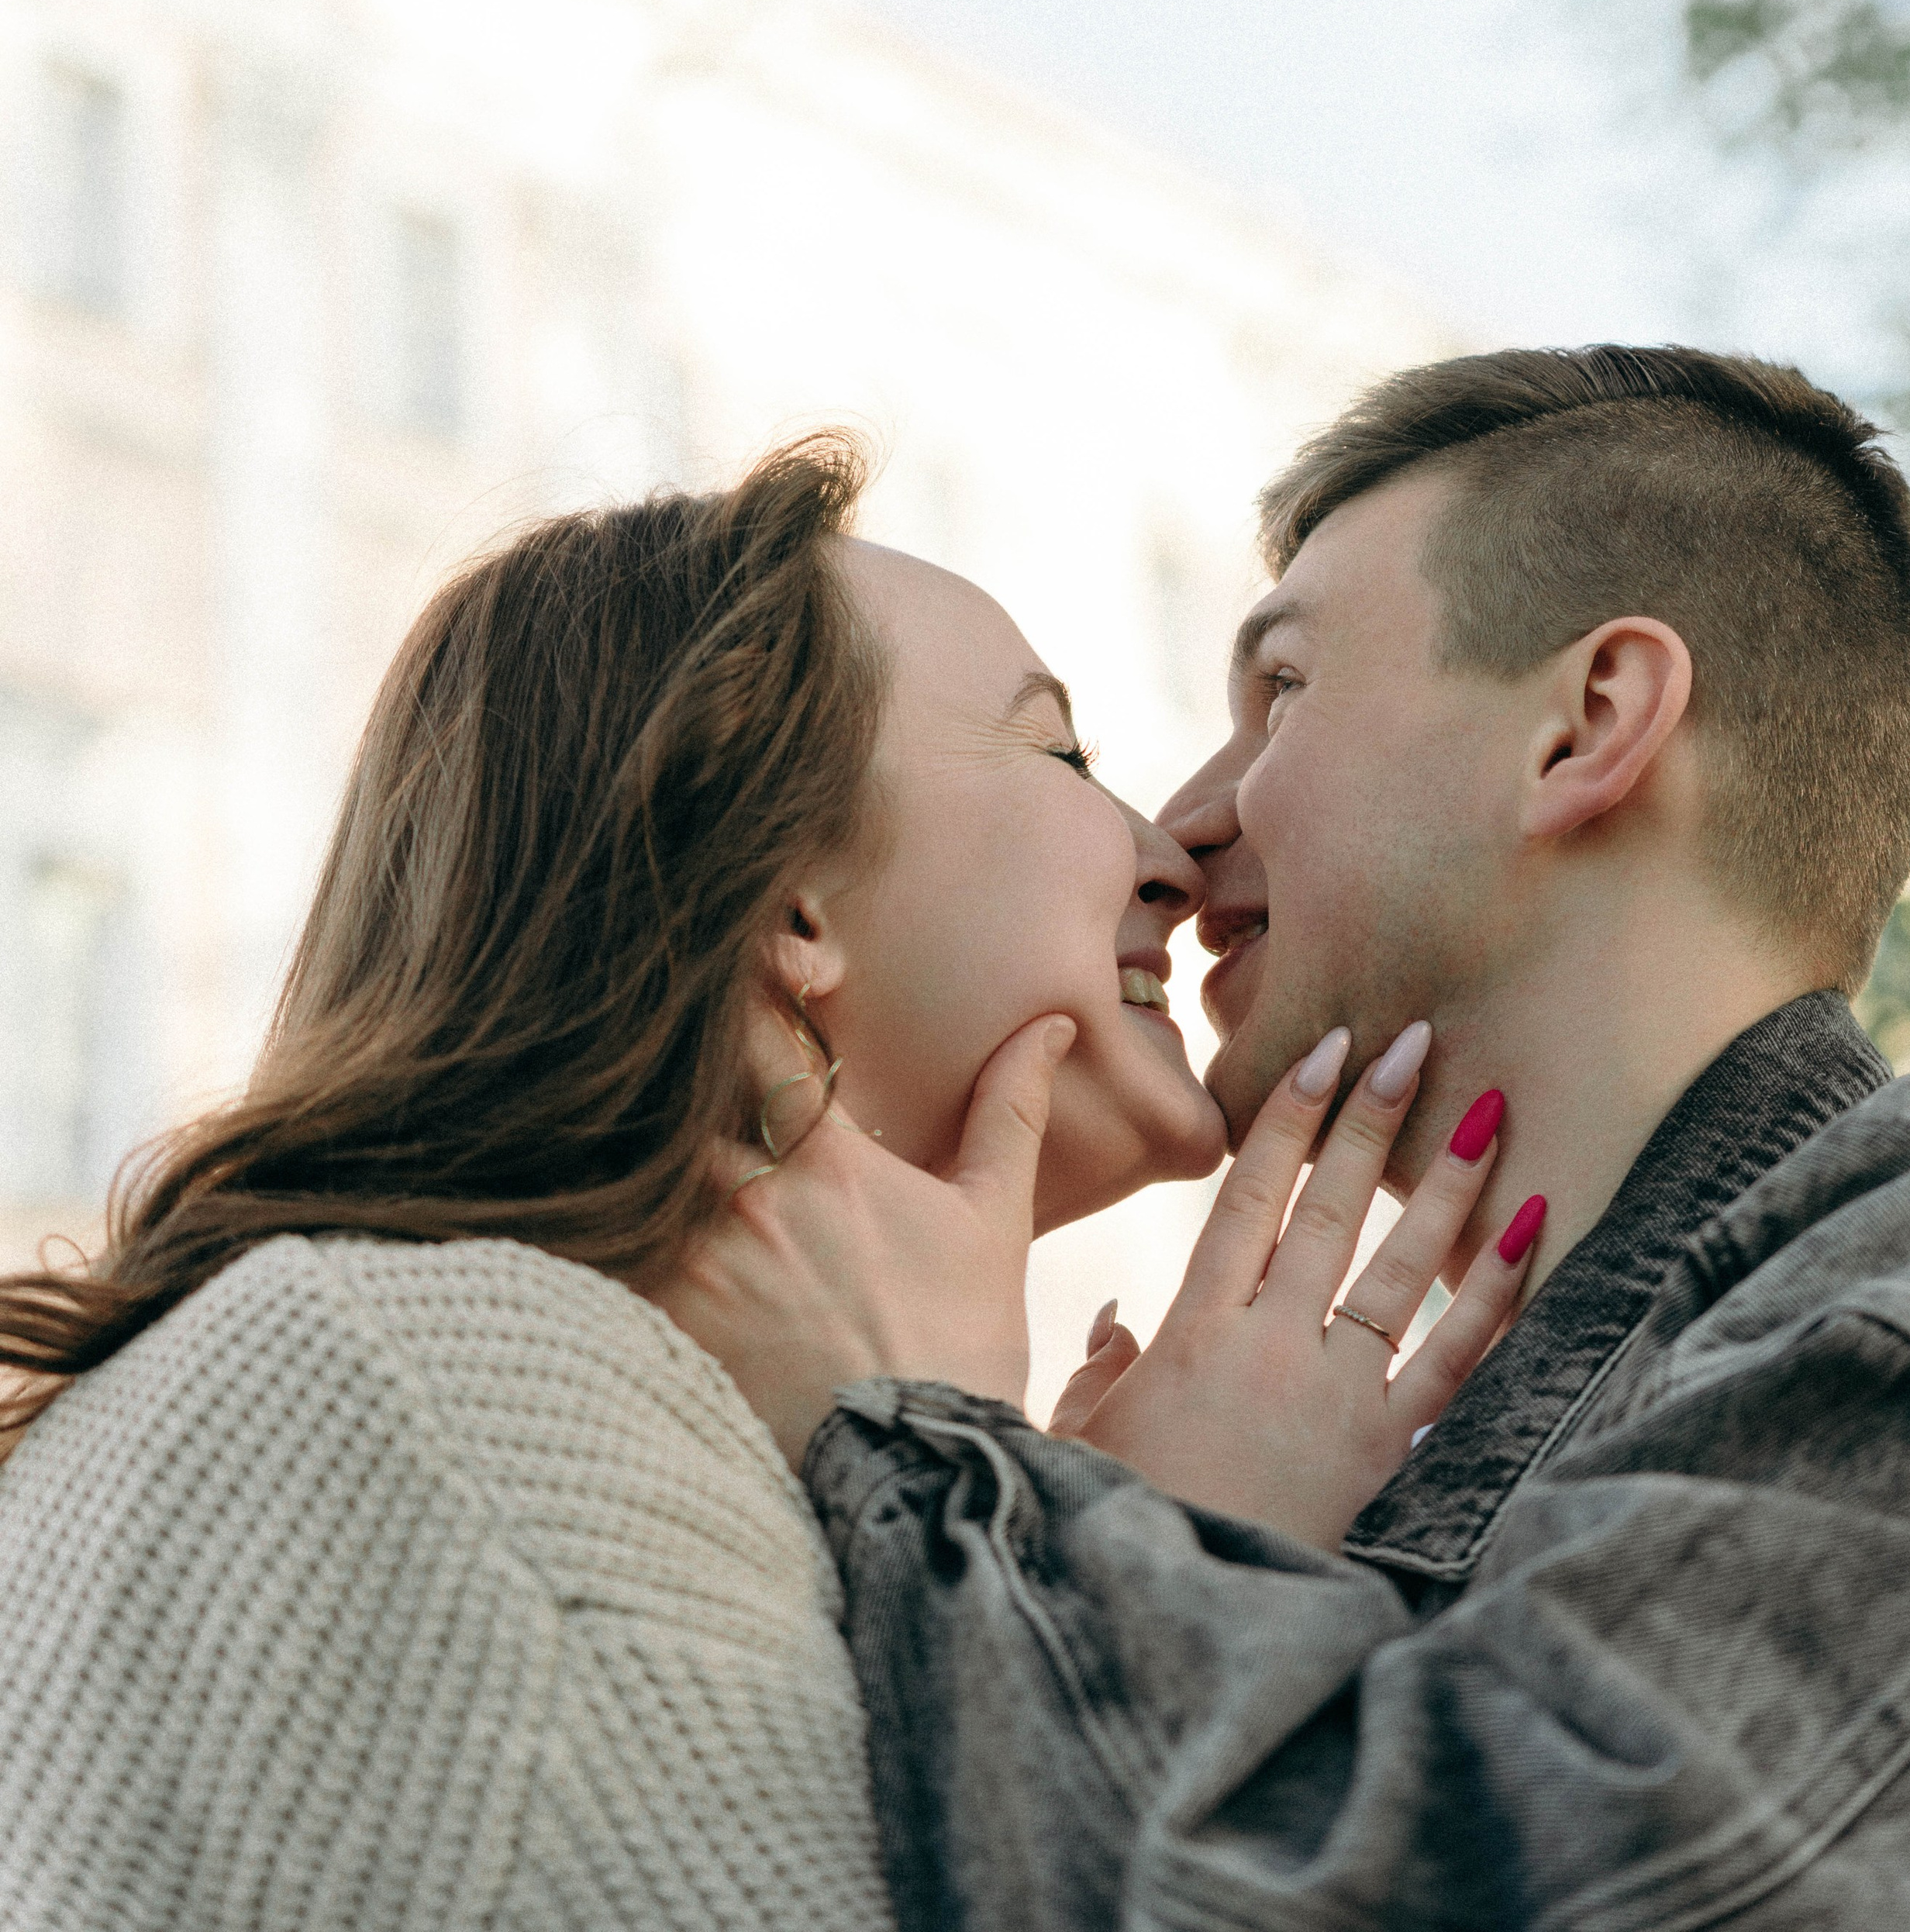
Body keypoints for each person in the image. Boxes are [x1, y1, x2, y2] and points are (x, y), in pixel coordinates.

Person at [0, 434, 1519, 1930]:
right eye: (1059, 752)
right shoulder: (458, 1398)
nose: (1169, 856)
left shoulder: (495, 1375)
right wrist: (1147, 1586)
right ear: (789, 893)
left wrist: (1037, 1534)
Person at [672, 346, 1910, 1928]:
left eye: (1281, 692)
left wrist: (954, 1468)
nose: (1183, 819)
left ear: (1586, 725)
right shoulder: (1377, 1454)